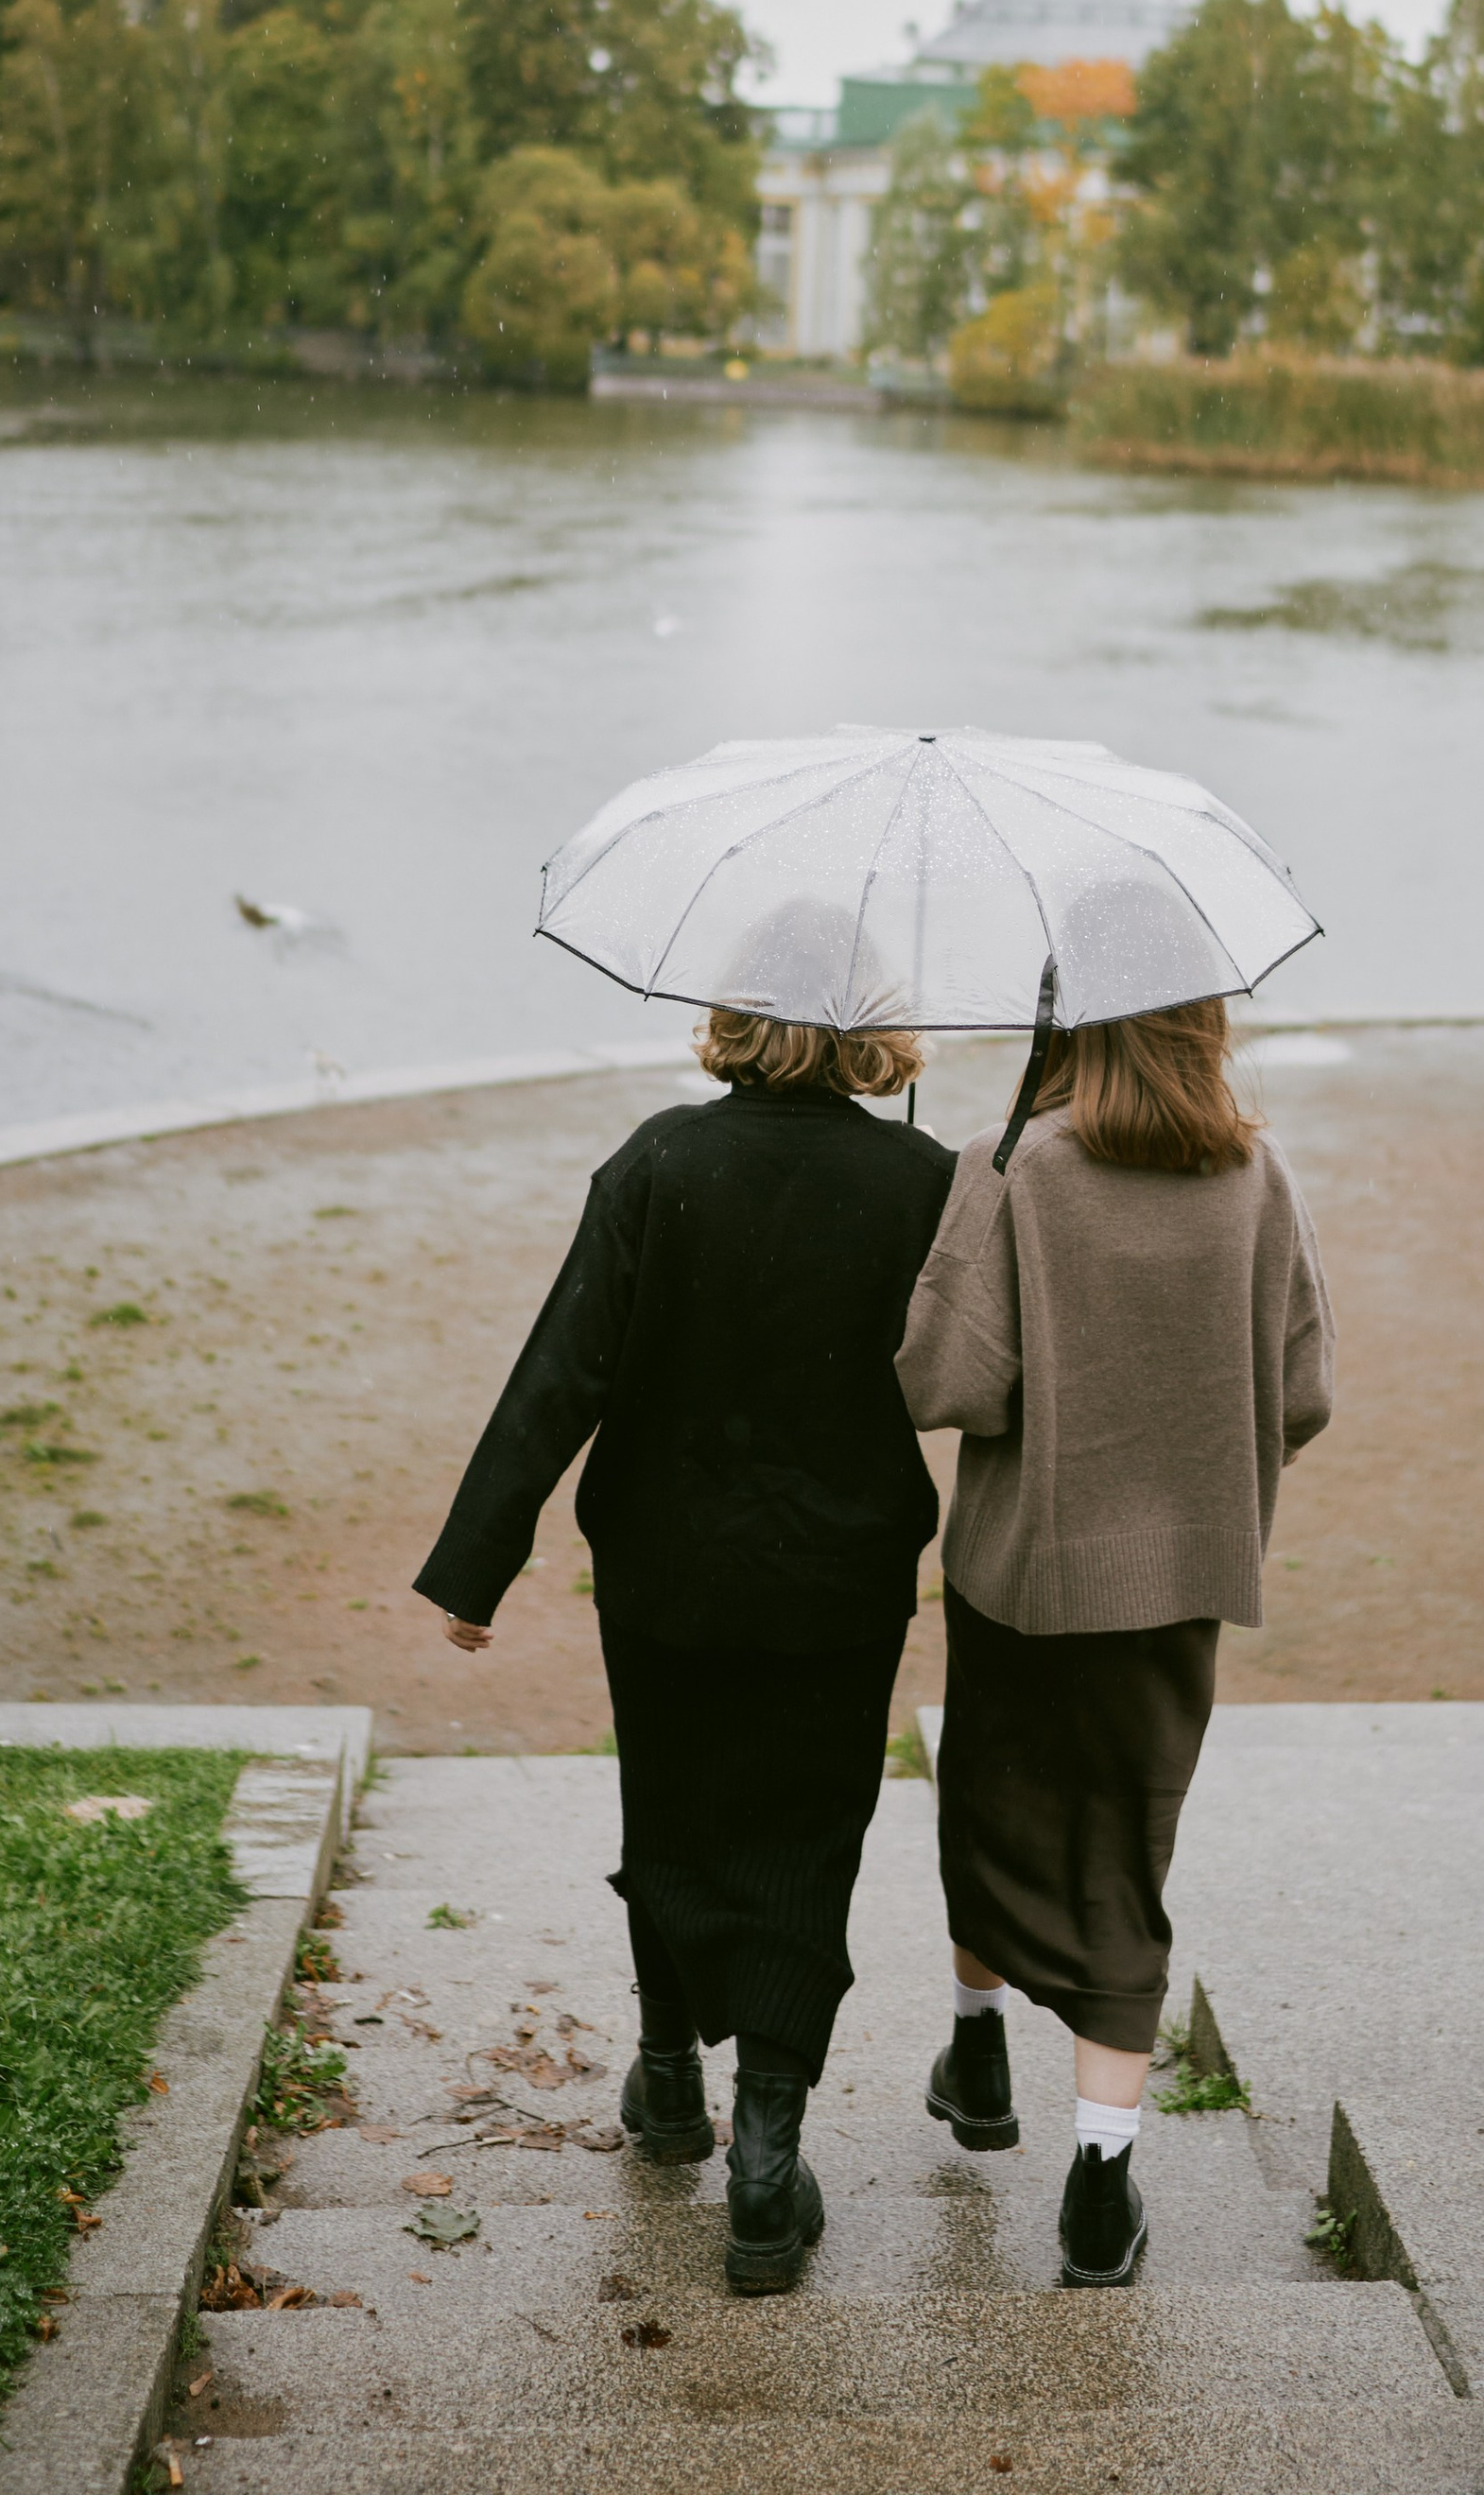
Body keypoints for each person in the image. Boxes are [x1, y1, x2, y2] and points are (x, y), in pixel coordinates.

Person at [411, 945, 954, 2296]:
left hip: (664, 1561)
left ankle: (666, 2083)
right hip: (838, 1577)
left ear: (733, 1022)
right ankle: (764, 2162)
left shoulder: (657, 1160)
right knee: (807, 1837)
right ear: (869, 1034)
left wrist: (478, 1565)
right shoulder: (929, 1180)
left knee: (673, 1810)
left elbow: (566, 1362)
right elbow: (964, 1380)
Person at [896, 993, 1333, 2290]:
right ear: (1202, 1023)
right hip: (1181, 1581)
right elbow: (1303, 1392)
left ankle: (978, 2044)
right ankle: (1100, 2183)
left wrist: (961, 1230)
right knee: (1122, 1857)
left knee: (992, 1807)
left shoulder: (1016, 1162)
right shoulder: (1257, 1174)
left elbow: (943, 1385)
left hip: (1024, 1572)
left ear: (1064, 1018)